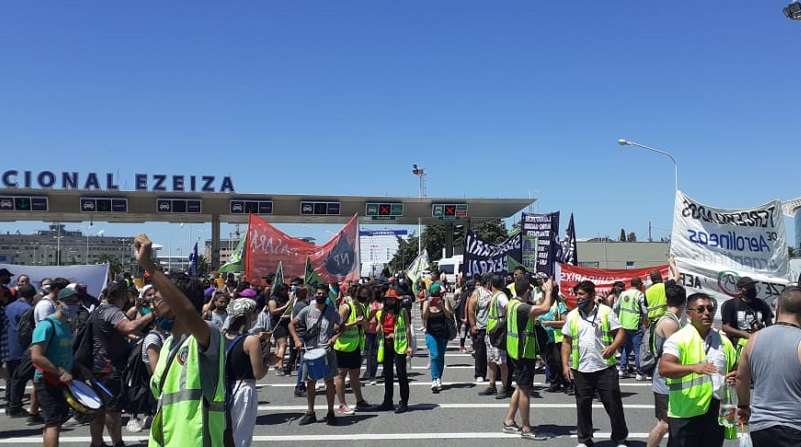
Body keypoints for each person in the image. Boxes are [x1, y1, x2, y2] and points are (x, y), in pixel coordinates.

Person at [133, 234, 227, 447]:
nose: (152, 303)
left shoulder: (206, 336)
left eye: (157, 297)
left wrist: (148, 264)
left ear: (175, 300)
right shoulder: (167, 344)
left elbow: (186, 310)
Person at [659, 292, 737, 447]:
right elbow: (664, 367)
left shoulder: (723, 341)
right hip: (686, 410)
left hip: (716, 408)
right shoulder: (678, 339)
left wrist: (735, 374)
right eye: (700, 309)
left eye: (710, 308)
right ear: (689, 314)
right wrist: (694, 367)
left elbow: (734, 365)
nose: (707, 313)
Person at [561, 280, 629, 447]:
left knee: (613, 405)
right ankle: (585, 440)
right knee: (583, 406)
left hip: (604, 368)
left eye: (581, 294)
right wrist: (565, 365)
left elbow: (620, 332)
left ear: (592, 295)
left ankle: (620, 438)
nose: (578, 298)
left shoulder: (605, 312)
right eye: (576, 294)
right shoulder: (572, 316)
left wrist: (613, 347)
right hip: (581, 369)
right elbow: (566, 341)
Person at [89, 281, 156, 447]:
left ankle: (97, 442)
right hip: (110, 367)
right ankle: (117, 442)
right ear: (122, 296)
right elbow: (129, 327)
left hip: (97, 365)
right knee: (113, 409)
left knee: (99, 408)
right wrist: (153, 314)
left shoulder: (98, 310)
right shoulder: (112, 312)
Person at [736, 286, 801, 447]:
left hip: (761, 428)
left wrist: (744, 406)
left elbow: (741, 378)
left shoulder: (755, 339)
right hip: (793, 428)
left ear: (777, 308)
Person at [503, 277, 556, 441]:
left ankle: (509, 421)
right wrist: (548, 291)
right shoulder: (523, 308)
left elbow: (538, 306)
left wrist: (544, 292)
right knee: (525, 391)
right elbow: (546, 307)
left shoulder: (512, 304)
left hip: (515, 350)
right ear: (527, 291)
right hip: (524, 352)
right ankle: (526, 428)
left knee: (519, 387)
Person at [29, 287, 79, 447]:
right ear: (59, 303)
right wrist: (59, 371)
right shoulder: (47, 325)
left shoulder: (66, 325)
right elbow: (36, 356)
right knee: (54, 423)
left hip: (60, 381)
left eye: (75, 302)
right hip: (47, 380)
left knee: (54, 422)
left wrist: (78, 367)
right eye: (68, 302)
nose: (72, 305)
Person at [288, 284, 341, 426]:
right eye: (318, 293)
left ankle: (331, 412)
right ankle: (310, 412)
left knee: (329, 383)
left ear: (327, 295)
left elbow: (341, 327)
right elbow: (291, 324)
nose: (320, 296)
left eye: (323, 293)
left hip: (326, 351)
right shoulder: (307, 310)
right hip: (310, 351)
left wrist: (335, 337)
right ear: (314, 294)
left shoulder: (332, 312)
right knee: (310, 383)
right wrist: (296, 340)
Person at [646, 280, 687, 447]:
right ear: (684, 302)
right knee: (665, 424)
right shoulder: (670, 322)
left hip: (669, 379)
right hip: (664, 380)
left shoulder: (671, 319)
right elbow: (677, 351)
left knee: (673, 423)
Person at [223, 298, 268, 447]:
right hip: (243, 391)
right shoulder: (251, 340)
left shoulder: (221, 336)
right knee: (241, 437)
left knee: (225, 434)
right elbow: (258, 373)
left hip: (223, 390)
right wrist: (268, 361)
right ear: (249, 316)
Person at [332, 283, 370, 415]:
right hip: (342, 346)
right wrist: (355, 323)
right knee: (341, 375)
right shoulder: (346, 307)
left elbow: (364, 326)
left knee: (355, 374)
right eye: (363, 295)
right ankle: (342, 404)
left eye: (366, 295)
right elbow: (336, 327)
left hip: (356, 346)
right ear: (355, 293)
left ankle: (359, 401)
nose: (364, 297)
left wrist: (364, 324)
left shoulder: (362, 307)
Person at [375, 288, 413, 413]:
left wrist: (409, 346)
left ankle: (404, 402)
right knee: (388, 375)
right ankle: (388, 401)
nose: (390, 301)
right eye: (388, 299)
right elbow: (379, 327)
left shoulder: (402, 312)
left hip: (400, 346)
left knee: (401, 374)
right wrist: (378, 329)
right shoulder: (382, 313)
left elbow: (407, 329)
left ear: (396, 301)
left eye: (392, 299)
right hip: (386, 345)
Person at [721, 276, 773, 356]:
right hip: (737, 347)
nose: (751, 289)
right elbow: (725, 327)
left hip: (758, 345)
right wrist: (745, 335)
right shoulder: (731, 304)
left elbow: (769, 324)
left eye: (753, 287)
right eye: (748, 288)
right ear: (740, 289)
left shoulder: (762, 304)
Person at [3, 283, 34, 414]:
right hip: (20, 347)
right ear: (32, 296)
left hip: (8, 346)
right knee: (20, 379)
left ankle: (10, 403)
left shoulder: (8, 306)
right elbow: (28, 330)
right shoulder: (28, 309)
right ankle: (15, 406)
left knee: (10, 377)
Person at [479, 274, 511, 399]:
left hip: (498, 332)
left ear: (491, 284)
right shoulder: (496, 296)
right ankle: (492, 385)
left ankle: (504, 387)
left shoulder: (501, 296)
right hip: (491, 331)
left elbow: (508, 307)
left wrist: (504, 322)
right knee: (491, 360)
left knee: (501, 361)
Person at [613, 277, 648, 380]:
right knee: (638, 350)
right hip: (635, 324)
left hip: (623, 324)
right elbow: (645, 311)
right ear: (639, 284)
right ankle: (639, 373)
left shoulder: (623, 294)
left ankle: (622, 370)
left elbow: (615, 308)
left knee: (626, 348)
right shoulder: (640, 295)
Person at [422, 283, 453, 393]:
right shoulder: (426, 302)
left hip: (443, 333)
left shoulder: (445, 301)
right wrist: (429, 304)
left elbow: (449, 315)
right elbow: (424, 317)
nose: (435, 295)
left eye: (437, 293)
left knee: (440, 356)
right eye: (434, 293)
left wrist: (442, 306)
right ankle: (434, 379)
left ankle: (439, 378)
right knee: (434, 355)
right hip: (431, 333)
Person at [467, 275, 492, 383]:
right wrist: (473, 325)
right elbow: (471, 309)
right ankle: (480, 374)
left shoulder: (496, 292)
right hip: (481, 326)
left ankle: (496, 374)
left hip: (494, 327)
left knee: (495, 352)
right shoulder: (478, 292)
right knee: (480, 352)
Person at [646, 258, 679, 324]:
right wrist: (672, 264)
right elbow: (677, 276)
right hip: (664, 321)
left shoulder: (647, 292)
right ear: (661, 277)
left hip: (652, 323)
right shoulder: (665, 286)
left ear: (652, 280)